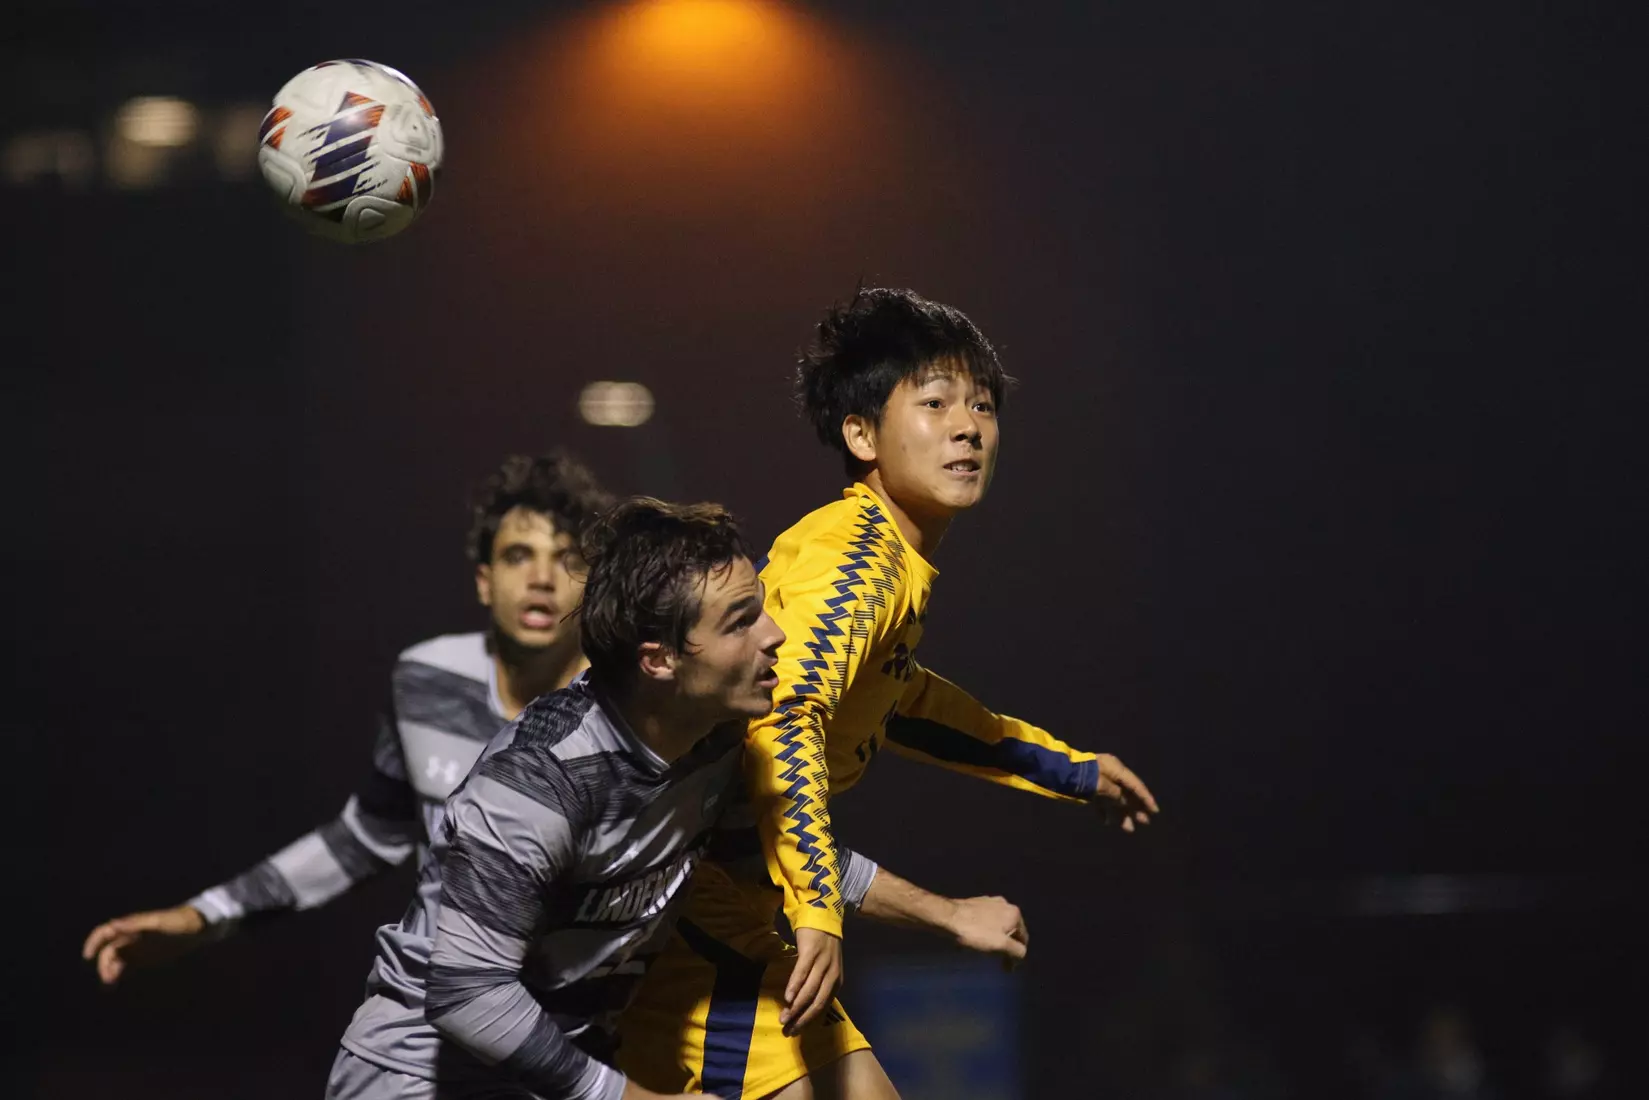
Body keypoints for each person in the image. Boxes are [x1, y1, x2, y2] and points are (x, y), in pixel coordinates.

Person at [618, 288, 1160, 1100]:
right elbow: (783, 720)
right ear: (861, 433)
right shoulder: (856, 558)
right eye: (935, 402)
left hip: (726, 901)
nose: (968, 426)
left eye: (981, 404)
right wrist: (817, 913)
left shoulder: (887, 561)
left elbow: (900, 702)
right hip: (694, 911)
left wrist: (1069, 770)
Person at [327, 497, 1026, 1100]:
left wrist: (949, 914)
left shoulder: (718, 742)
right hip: (416, 1079)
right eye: (740, 620)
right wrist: (625, 1095)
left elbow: (781, 853)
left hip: (554, 1076)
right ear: (659, 659)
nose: (774, 634)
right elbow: (465, 992)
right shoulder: (540, 781)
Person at [82, 452, 612, 984]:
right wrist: (204, 915)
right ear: (483, 580)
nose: (543, 577)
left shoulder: (630, 703)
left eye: (566, 559)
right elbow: (366, 837)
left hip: (585, 1028)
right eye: (519, 555)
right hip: (436, 1023)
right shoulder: (425, 680)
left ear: (590, 585)